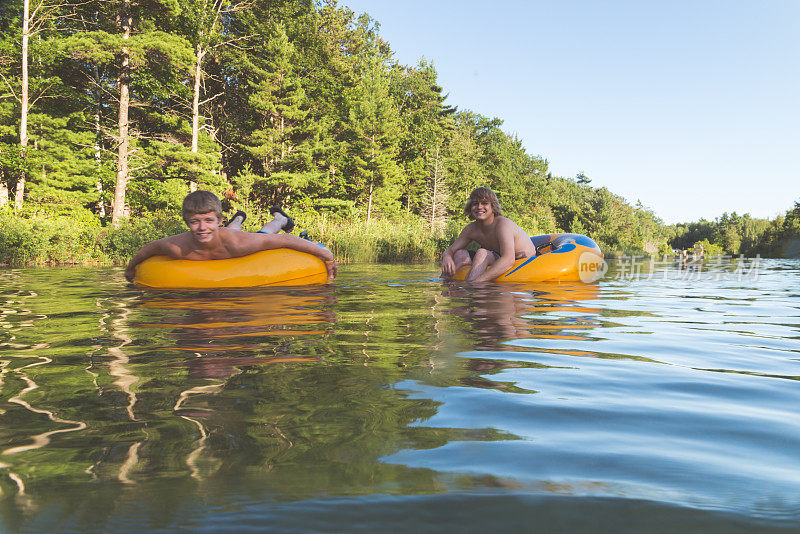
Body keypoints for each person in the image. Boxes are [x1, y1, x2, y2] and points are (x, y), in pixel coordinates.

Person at [124, 190, 337, 282]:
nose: (201, 228)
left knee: (264, 232)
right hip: (226, 233)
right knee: (234, 229)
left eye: (208, 221)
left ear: (218, 221)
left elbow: (285, 240)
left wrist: (327, 256)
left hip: (233, 239)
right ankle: (239, 218)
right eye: (194, 222)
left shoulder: (236, 244)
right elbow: (149, 248)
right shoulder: (178, 246)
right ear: (187, 223)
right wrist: (131, 270)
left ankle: (280, 218)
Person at [441, 187, 536, 283]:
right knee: (459, 254)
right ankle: (447, 286)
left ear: (493, 207)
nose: (479, 207)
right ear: (470, 207)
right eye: (475, 203)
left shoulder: (503, 225)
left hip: (522, 261)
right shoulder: (471, 229)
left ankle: (470, 288)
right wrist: (447, 256)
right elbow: (450, 250)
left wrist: (478, 281)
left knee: (482, 253)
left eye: (484, 203)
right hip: (497, 257)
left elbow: (508, 260)